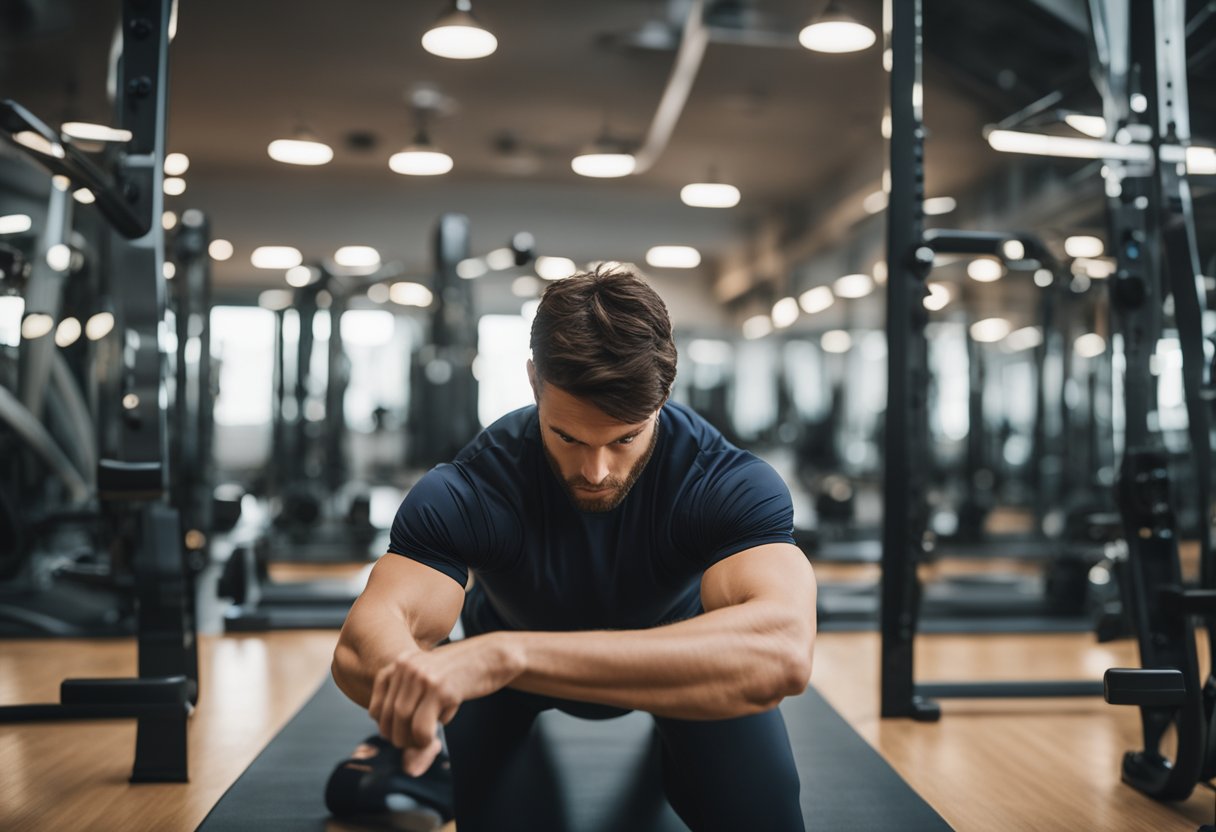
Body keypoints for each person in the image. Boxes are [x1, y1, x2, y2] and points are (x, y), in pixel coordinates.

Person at [330, 266, 817, 831]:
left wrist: (507, 655)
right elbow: (360, 647)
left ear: (664, 393)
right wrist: (409, 684)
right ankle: (436, 766)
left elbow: (782, 653)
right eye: (568, 437)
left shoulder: (724, 481)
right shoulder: (472, 487)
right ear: (535, 381)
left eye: (625, 439)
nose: (596, 471)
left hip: (679, 665)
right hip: (499, 685)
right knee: (383, 798)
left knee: (766, 818)